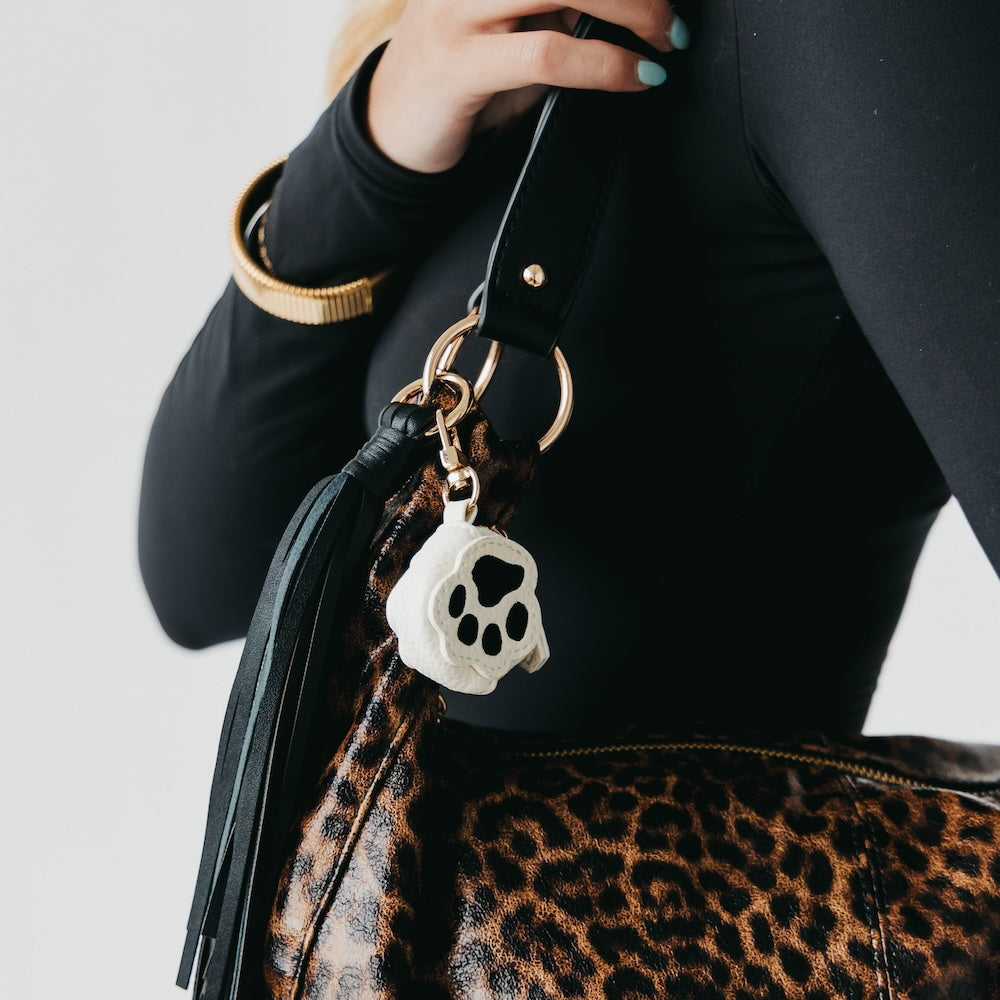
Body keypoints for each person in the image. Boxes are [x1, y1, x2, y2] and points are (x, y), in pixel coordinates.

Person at [138, 0, 1000, 738]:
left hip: (712, 880)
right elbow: (207, 588)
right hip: (394, 887)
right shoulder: (488, 31)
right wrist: (371, 150)